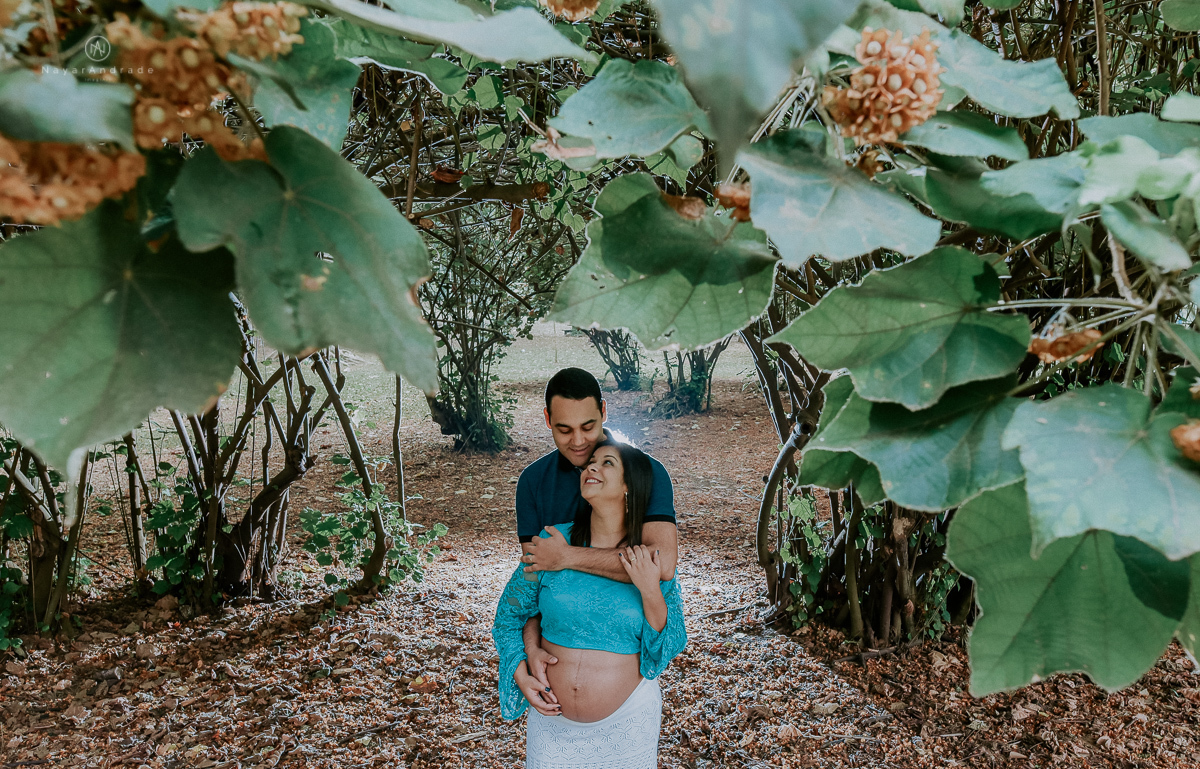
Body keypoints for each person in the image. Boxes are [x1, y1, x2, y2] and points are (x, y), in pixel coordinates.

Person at [493, 439, 687, 767]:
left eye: (607, 462)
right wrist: (522, 665)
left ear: (629, 486)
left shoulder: (645, 558)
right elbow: (510, 615)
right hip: (551, 726)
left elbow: (667, 645)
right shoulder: (551, 543)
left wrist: (649, 589)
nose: (591, 467)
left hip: (626, 727)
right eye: (590, 463)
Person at [514, 368, 679, 713]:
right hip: (552, 704)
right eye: (564, 429)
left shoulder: (645, 473)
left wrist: (567, 557)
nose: (578, 441)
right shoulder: (533, 483)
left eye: (588, 427)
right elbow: (531, 587)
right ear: (547, 419)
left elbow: (660, 565)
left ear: (604, 411)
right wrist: (529, 652)